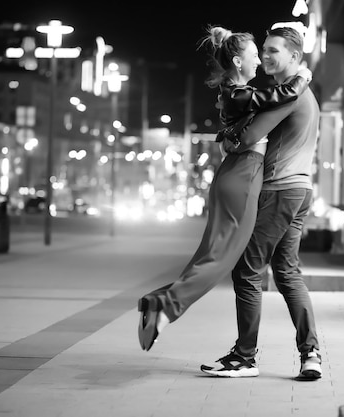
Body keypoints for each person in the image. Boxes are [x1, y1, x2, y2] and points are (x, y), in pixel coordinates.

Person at [137, 25, 311, 352]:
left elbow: (240, 130)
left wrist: (229, 140)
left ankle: (157, 301)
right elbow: (282, 97)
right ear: (237, 60)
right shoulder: (238, 93)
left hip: (234, 175)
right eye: (255, 55)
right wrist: (303, 76)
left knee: (210, 254)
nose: (260, 61)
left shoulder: (235, 92)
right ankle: (165, 311)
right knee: (221, 258)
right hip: (243, 178)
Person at [200, 26, 323, 380]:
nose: (266, 57)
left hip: (279, 190)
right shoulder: (302, 93)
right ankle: (310, 353)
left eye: (273, 52)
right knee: (286, 272)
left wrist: (227, 138)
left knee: (248, 271)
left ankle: (244, 356)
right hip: (299, 190)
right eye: (264, 50)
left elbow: (246, 137)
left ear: (295, 58)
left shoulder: (289, 96)